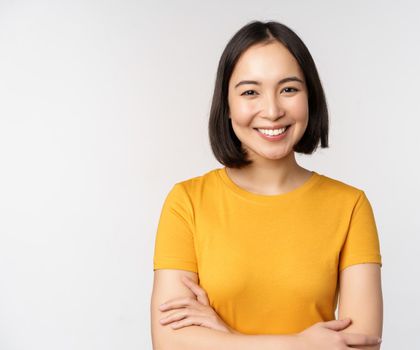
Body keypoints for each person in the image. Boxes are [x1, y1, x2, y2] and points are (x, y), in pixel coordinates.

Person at [150, 20, 383, 350]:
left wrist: (226, 338)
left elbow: (362, 345)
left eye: (288, 89)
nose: (272, 110)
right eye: (250, 92)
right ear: (227, 105)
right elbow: (169, 343)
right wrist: (305, 345)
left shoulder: (350, 205)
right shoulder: (186, 202)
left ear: (310, 97)